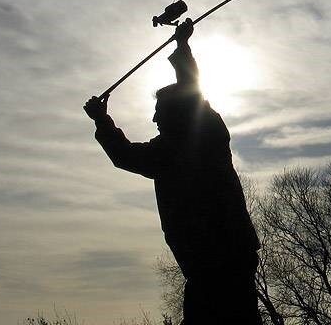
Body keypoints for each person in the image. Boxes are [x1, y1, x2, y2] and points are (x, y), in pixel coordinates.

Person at [84, 20, 261, 324]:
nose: (153, 117)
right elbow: (125, 155)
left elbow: (191, 93)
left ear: (178, 112)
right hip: (216, 259)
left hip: (220, 259)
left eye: (159, 110)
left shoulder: (201, 136)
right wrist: (102, 120)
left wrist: (182, 48)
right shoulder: (185, 144)